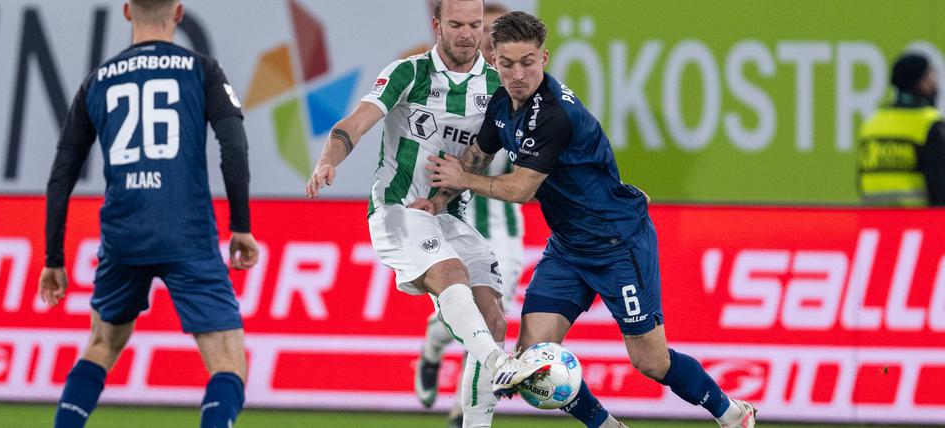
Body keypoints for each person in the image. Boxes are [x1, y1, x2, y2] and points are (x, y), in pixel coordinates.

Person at [425, 11, 757, 428]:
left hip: (617, 243)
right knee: (533, 361)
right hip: (568, 247)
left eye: (528, 62)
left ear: (544, 58)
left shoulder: (552, 115)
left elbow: (521, 190)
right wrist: (437, 202)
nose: (518, 74)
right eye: (507, 64)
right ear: (494, 62)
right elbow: (478, 153)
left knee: (651, 362)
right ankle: (605, 425)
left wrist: (464, 178)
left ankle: (732, 414)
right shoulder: (501, 104)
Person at [305, 1, 542, 426]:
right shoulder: (408, 73)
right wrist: (329, 160)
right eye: (457, 24)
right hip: (397, 210)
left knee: (493, 316)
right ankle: (497, 362)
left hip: (445, 214)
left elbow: (480, 155)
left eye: (475, 24)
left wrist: (442, 199)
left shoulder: (496, 85)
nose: (469, 34)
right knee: (452, 277)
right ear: (437, 25)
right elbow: (355, 124)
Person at [37, 1, 258, 427]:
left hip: (123, 235)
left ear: (126, 12)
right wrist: (241, 227)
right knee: (228, 361)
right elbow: (233, 146)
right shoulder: (201, 69)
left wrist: (53, 258)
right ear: (178, 13)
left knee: (101, 345)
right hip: (186, 231)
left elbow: (61, 176)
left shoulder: (96, 81)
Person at [411, 4, 526, 428]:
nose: (492, 45)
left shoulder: (518, 90)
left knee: (497, 312)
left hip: (506, 221)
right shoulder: (443, 82)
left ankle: (463, 411)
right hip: (459, 212)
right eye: (487, 34)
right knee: (462, 314)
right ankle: (432, 346)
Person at [857, 52, 945, 206]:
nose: (935, 83)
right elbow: (940, 184)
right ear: (918, 82)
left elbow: (861, 179)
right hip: (918, 224)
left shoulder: (872, 124)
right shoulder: (929, 123)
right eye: (930, 77)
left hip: (873, 221)